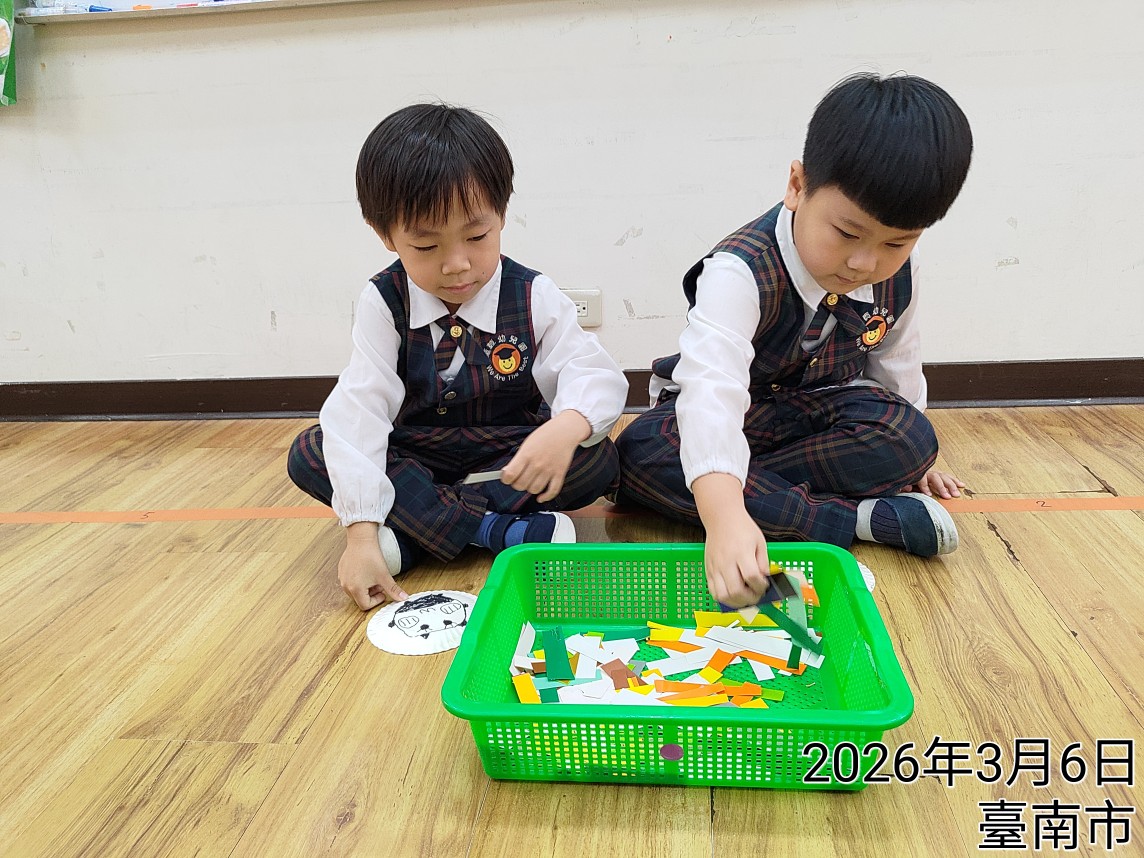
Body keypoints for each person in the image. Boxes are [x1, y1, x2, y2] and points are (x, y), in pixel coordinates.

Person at [616, 73, 973, 608]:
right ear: (797, 185)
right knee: (640, 454)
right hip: (728, 417)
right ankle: (858, 519)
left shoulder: (902, 270)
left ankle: (756, 497)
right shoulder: (739, 271)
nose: (864, 262)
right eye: (847, 233)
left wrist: (915, 465)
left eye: (896, 243)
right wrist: (724, 516)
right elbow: (711, 396)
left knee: (910, 436)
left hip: (813, 415)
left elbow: (898, 360)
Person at [288, 104, 627, 611]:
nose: (457, 264)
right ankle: (493, 529)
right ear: (385, 235)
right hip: (419, 458)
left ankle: (417, 533)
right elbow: (360, 410)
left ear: (502, 216)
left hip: (504, 458)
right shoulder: (384, 301)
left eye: (476, 237)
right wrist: (359, 535)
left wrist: (566, 427)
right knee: (312, 450)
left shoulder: (532, 293)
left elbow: (591, 372)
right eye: (426, 246)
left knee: (596, 459)